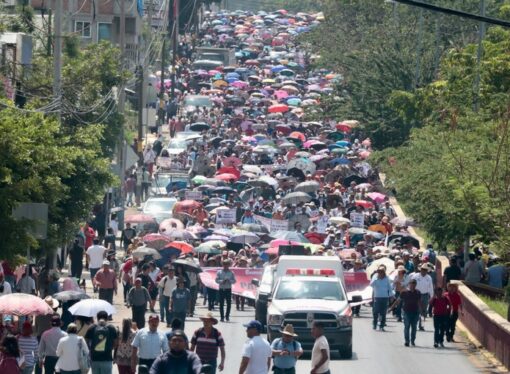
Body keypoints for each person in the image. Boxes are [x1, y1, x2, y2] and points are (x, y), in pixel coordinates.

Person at [395, 278, 421, 347]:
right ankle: (407, 341)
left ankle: (412, 340)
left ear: (416, 285)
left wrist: (421, 310)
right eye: (411, 283)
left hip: (415, 312)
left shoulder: (418, 292)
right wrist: (391, 308)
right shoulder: (404, 292)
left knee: (414, 327)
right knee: (407, 326)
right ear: (409, 284)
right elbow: (398, 300)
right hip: (406, 312)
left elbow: (419, 302)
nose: (413, 285)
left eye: (414, 284)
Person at [411, 264, 434, 331]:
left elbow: (431, 287)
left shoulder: (429, 278)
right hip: (417, 295)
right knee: (417, 310)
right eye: (423, 269)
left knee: (423, 311)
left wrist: (431, 296)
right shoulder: (415, 276)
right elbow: (411, 285)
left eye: (425, 270)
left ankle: (421, 324)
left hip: (425, 295)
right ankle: (416, 323)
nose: (424, 271)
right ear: (420, 270)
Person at [370, 266, 394, 331]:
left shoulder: (387, 278)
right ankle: (374, 323)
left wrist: (391, 296)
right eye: (379, 272)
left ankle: (382, 325)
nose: (380, 273)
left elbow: (389, 288)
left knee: (383, 313)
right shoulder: (375, 277)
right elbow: (371, 285)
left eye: (381, 272)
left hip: (385, 297)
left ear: (384, 272)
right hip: (377, 297)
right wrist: (376, 279)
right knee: (376, 311)